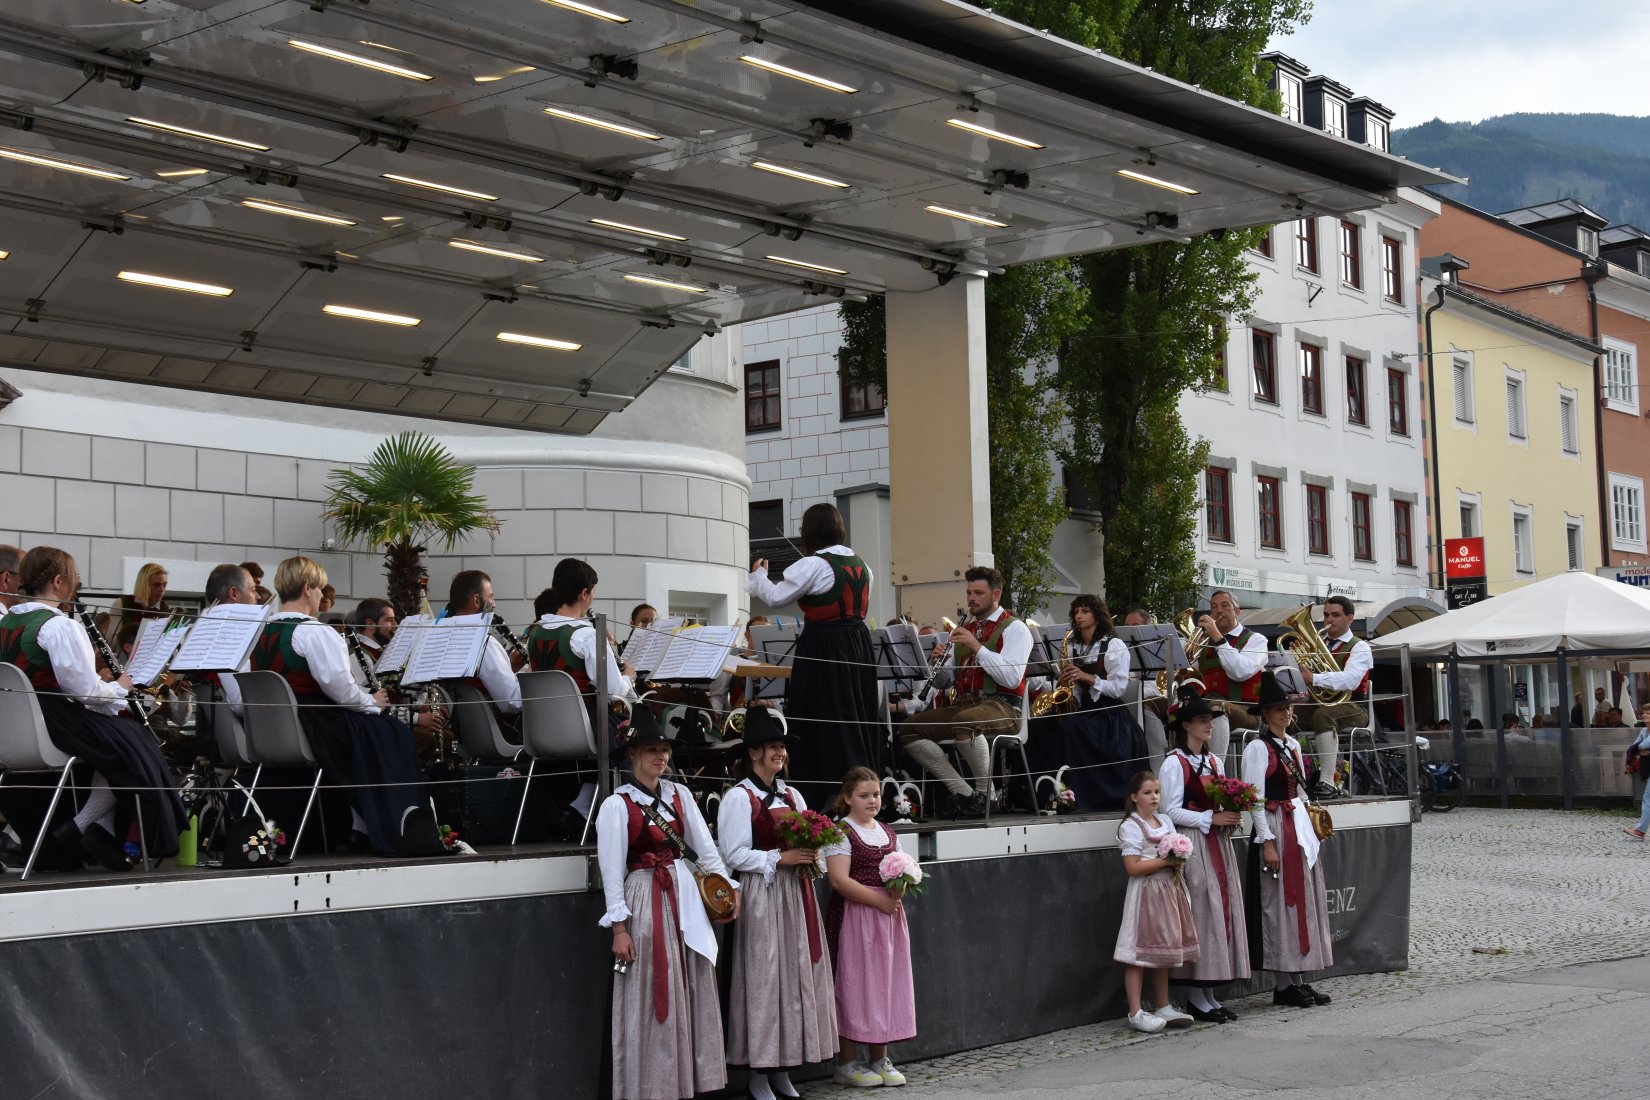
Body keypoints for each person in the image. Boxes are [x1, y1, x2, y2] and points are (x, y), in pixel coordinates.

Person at [0, 546, 184, 871]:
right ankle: (82, 826)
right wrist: (121, 687)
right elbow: (86, 692)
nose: (76, 585)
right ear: (58, 582)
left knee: (118, 739)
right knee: (134, 741)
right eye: (74, 578)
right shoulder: (59, 626)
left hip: (14, 729)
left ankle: (102, 831)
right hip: (53, 724)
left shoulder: (6, 621)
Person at [250, 556, 439, 856]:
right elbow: (341, 691)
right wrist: (373, 702)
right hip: (316, 725)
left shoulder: (258, 631)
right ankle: (393, 825)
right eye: (320, 590)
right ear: (307, 588)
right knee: (393, 732)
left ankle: (361, 824)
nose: (320, 597)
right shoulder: (314, 632)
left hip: (273, 731)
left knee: (383, 730)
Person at [596, 709, 737, 1100]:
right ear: (632, 755)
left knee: (690, 982)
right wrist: (619, 929)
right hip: (644, 897)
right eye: (651, 750)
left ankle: (685, 1082)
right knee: (652, 987)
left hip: (684, 896)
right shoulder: (617, 805)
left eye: (664, 750)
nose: (661, 757)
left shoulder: (680, 795)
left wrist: (726, 892)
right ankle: (652, 1085)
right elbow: (611, 871)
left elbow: (705, 849)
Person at [716, 706, 835, 1100]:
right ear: (753, 753)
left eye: (782, 747)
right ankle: (758, 1075)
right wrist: (779, 858)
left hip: (795, 894)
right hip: (762, 894)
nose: (780, 753)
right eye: (772, 747)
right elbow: (733, 854)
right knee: (763, 980)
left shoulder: (791, 794)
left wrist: (811, 854)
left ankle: (783, 1069)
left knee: (792, 978)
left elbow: (809, 836)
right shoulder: (739, 797)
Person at [746, 503, 881, 795]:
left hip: (825, 644)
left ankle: (824, 787)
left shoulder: (813, 564)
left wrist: (759, 576)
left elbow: (776, 598)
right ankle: (862, 784)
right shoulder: (864, 566)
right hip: (858, 644)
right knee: (855, 712)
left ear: (809, 531)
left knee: (823, 712)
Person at [898, 567, 1031, 818]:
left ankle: (986, 794)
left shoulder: (1015, 628)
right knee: (908, 729)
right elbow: (944, 682)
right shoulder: (965, 629)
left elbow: (1012, 678)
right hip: (964, 705)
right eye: (969, 592)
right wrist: (936, 664)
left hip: (1003, 706)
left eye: (979, 593)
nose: (971, 598)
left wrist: (977, 647)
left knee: (964, 722)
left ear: (996, 595)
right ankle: (964, 792)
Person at [1243, 672, 1333, 1008]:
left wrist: (1311, 822)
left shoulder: (1293, 744)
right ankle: (1282, 984)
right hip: (1275, 825)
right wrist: (1266, 841)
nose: (1286, 713)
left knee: (1302, 899)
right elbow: (1254, 798)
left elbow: (1300, 790)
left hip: (1296, 824)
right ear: (1265, 713)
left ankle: (1299, 978)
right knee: (1280, 902)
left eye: (1288, 707)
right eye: (1279, 708)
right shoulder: (1257, 748)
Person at [1159, 694, 1250, 1022]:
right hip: (1194, 842)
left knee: (1218, 913)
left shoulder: (1213, 762)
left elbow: (1218, 799)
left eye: (1210, 720)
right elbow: (1169, 810)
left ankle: (1209, 994)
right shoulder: (1174, 763)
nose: (1209, 725)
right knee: (1201, 912)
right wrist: (1209, 818)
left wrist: (1230, 812)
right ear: (1185, 726)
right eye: (1202, 721)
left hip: (1216, 842)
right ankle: (1196, 996)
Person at [823, 767, 915, 1088]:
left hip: (887, 918)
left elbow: (903, 869)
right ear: (848, 798)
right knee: (854, 983)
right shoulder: (841, 832)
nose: (872, 800)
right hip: (856, 915)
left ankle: (879, 1058)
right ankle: (847, 1062)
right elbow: (839, 880)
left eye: (875, 794)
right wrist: (879, 901)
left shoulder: (887, 832)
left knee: (884, 982)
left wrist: (899, 890)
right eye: (863, 795)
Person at [1114, 771, 1198, 1034]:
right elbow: (1132, 867)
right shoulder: (1131, 826)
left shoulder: (1165, 821)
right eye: (1147, 792)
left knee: (1161, 950)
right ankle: (1135, 1011)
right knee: (1137, 954)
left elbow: (1174, 856)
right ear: (1134, 797)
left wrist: (1178, 861)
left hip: (1168, 890)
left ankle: (1163, 1005)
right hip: (1145, 893)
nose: (1154, 797)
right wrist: (1166, 861)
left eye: (1157, 792)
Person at [1056, 595, 1141, 811]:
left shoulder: (1113, 645)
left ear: (1097, 615)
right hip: (1085, 709)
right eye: (1076, 612)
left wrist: (1089, 678)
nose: (1079, 616)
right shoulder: (1075, 646)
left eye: (1085, 611)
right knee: (1045, 724)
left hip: (1109, 713)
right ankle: (1056, 792)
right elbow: (1076, 688)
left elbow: (1118, 688)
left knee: (1072, 728)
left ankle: (1084, 795)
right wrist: (1067, 692)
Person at [1300, 596, 1374, 798]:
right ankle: (1292, 781)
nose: (1329, 620)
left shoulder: (1360, 646)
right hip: (1320, 704)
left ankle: (1327, 781)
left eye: (1335, 615)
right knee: (1283, 715)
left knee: (1323, 716)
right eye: (1326, 615)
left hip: (1354, 707)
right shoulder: (1318, 644)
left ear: (1350, 618)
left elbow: (1351, 680)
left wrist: (1314, 678)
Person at [1194, 590, 1267, 769]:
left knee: (1216, 707)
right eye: (1214, 607)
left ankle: (1215, 772)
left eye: (1224, 606)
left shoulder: (1256, 639)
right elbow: (1188, 673)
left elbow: (1239, 672)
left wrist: (1218, 638)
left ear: (1237, 611)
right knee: (1169, 709)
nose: (1218, 611)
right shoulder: (1204, 641)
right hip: (1206, 704)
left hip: (1245, 710)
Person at [443, 570, 521, 717]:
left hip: (459, 725)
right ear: (476, 600)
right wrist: (531, 677)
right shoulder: (484, 644)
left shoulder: (441, 639)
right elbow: (512, 701)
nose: (494, 604)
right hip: (494, 725)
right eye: (490, 596)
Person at [1122, 609, 1167, 769]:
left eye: (1135, 625)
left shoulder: (1160, 645)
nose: (1130, 630)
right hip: (1135, 692)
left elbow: (1163, 682)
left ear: (1147, 627)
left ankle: (1156, 762)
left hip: (1157, 692)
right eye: (1127, 626)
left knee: (1140, 701)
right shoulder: (1123, 647)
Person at [106, 561, 168, 637]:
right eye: (156, 585)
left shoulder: (164, 609)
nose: (162, 589)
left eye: (164, 585)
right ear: (144, 585)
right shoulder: (122, 603)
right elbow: (112, 639)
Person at [1625, 709, 1650, 841]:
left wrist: (1640, 749)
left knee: (1648, 798)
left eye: (1648, 713)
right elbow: (1633, 748)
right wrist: (1640, 751)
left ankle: (1640, 830)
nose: (1645, 715)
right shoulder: (1644, 731)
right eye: (1644, 712)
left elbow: (1642, 745)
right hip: (1648, 768)